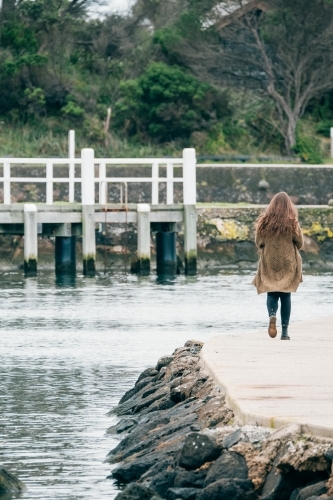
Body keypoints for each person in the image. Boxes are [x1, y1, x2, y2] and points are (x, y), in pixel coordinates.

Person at [252, 192, 303, 340]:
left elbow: (259, 243)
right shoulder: (293, 222)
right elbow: (299, 243)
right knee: (286, 295)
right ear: (289, 206)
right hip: (288, 262)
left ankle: (272, 314)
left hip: (270, 261)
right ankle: (285, 332)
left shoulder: (264, 222)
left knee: (271, 293)